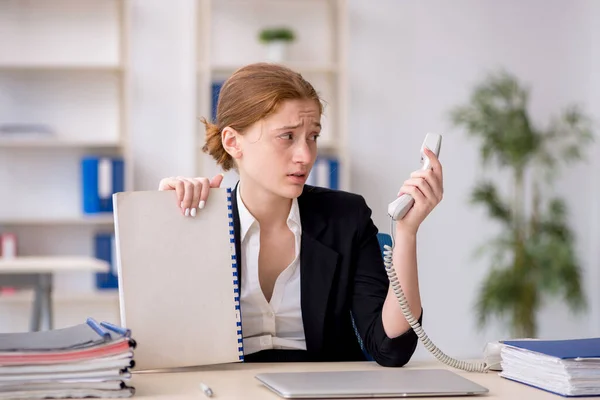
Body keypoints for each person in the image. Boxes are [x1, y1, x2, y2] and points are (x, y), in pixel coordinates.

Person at [158, 63, 444, 367]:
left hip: (322, 390)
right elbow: (163, 345)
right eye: (287, 136)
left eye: (312, 136)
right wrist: (161, 219)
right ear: (233, 142)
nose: (306, 156)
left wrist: (407, 232)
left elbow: (391, 349)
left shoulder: (346, 218)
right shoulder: (203, 221)